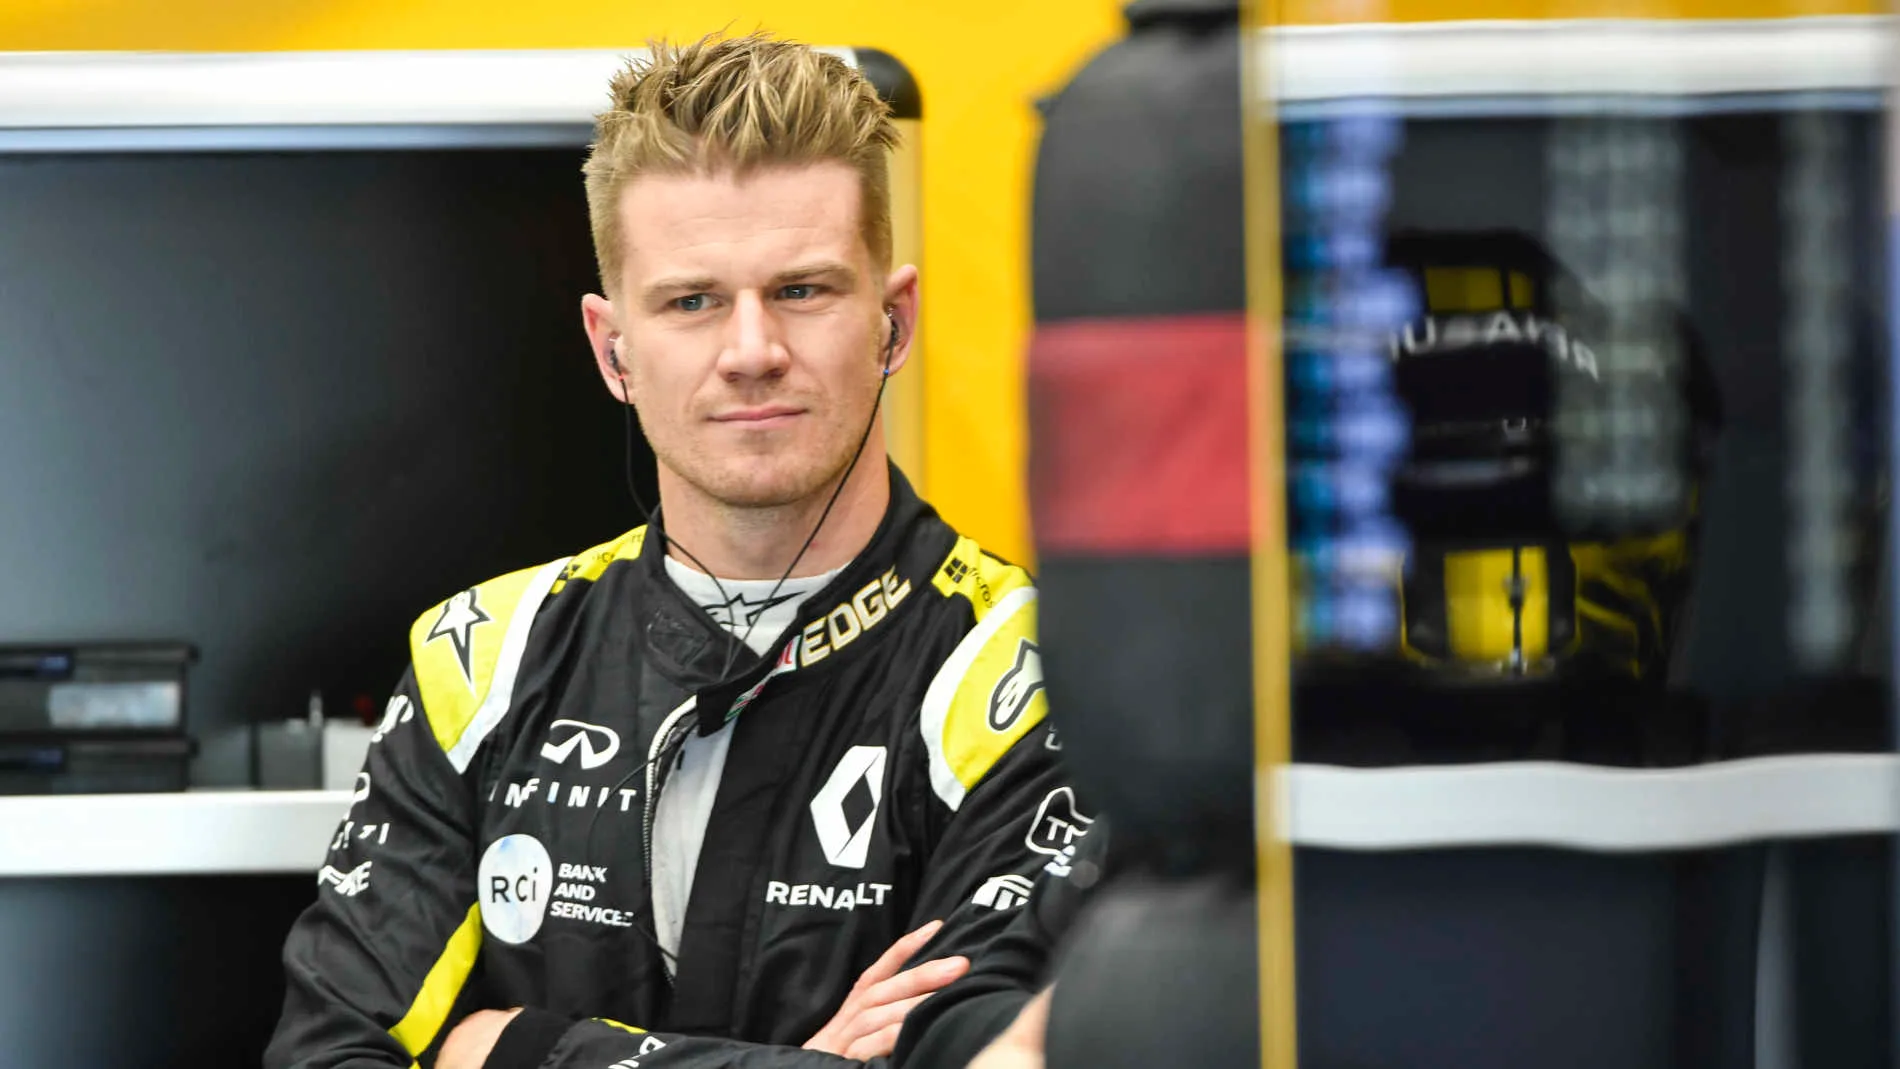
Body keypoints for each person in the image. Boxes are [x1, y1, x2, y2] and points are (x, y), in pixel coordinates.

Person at [265, 31, 1075, 1069]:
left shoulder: (1030, 668)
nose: (751, 352)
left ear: (893, 321)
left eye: (803, 290)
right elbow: (327, 1053)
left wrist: (516, 1050)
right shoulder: (480, 656)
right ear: (613, 349)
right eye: (692, 302)